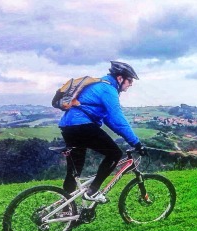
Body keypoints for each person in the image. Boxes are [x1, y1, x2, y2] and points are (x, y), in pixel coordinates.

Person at [58, 61, 146, 203]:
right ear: (120, 78)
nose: (131, 84)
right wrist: (136, 142)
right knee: (114, 153)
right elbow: (117, 119)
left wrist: (127, 138)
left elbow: (109, 120)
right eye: (130, 80)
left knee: (74, 171)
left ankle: (67, 209)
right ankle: (93, 191)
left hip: (68, 127)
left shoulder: (98, 85)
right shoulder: (108, 89)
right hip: (82, 126)